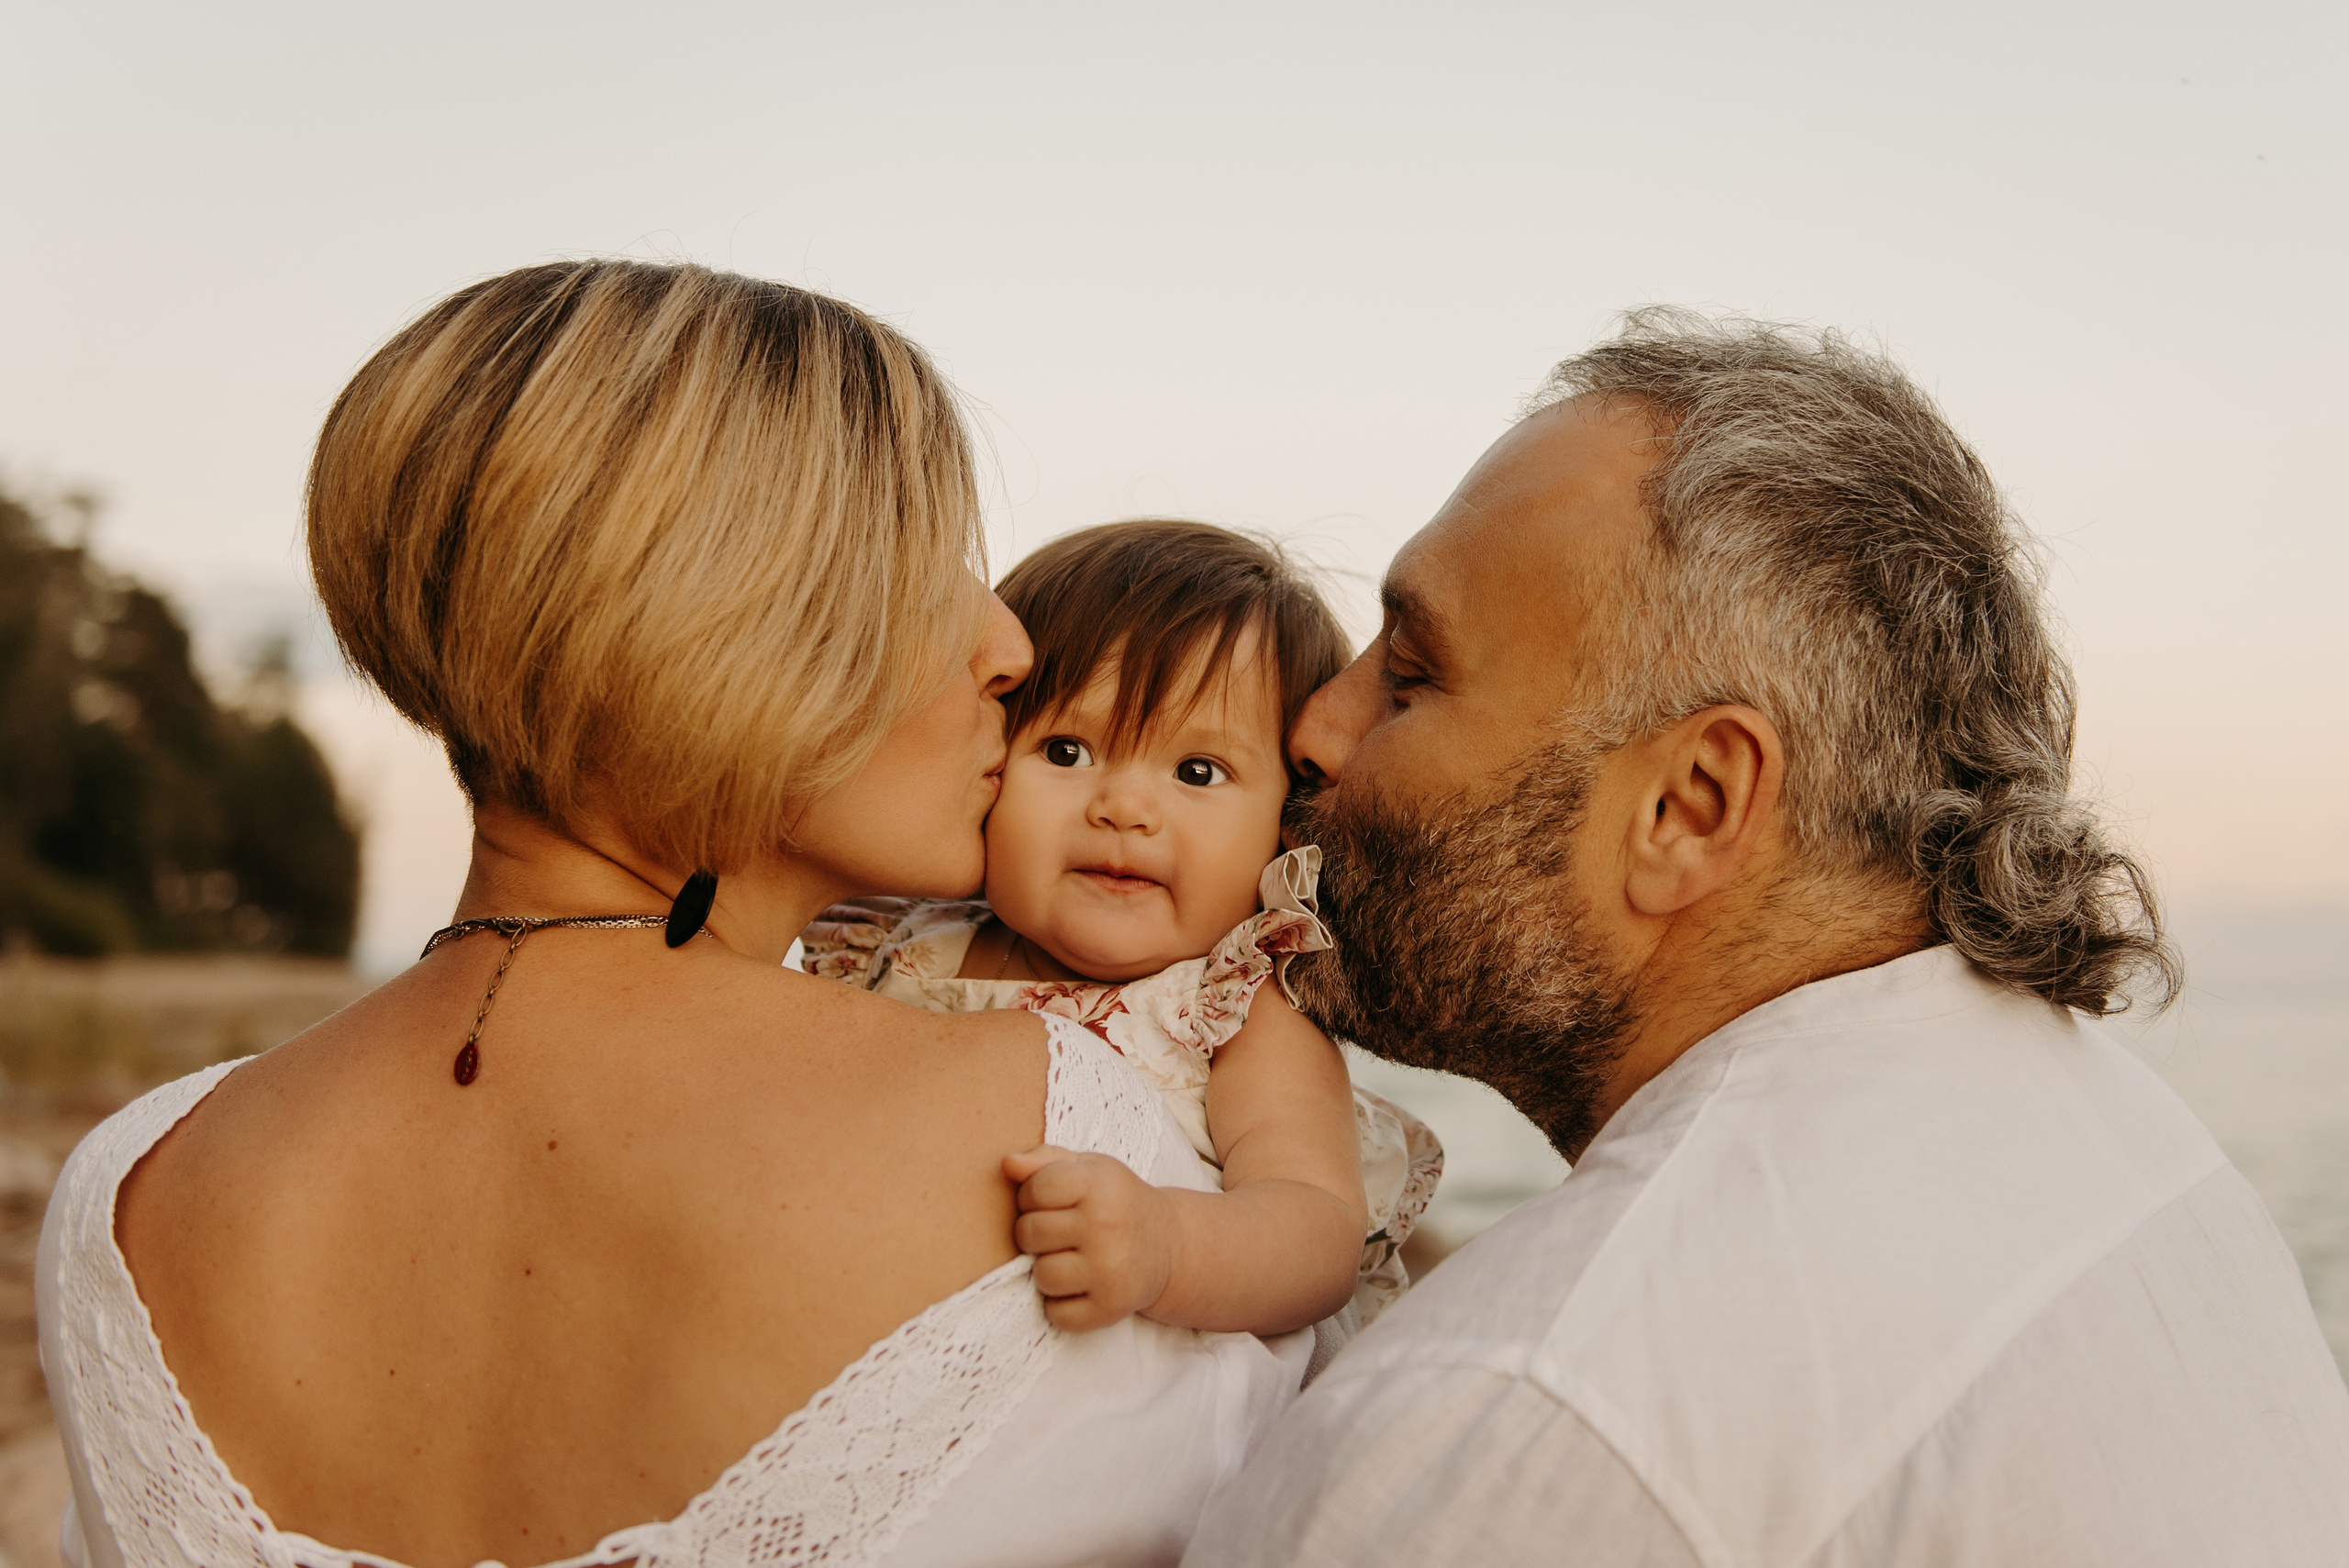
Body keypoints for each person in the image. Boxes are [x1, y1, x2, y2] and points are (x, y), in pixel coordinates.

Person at [38, 259, 1310, 1568]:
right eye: (930, 560)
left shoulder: (132, 1189)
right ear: (730, 620)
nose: (1006, 645)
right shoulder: (1064, 1142)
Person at [1186, 310, 2349, 1565]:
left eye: (1409, 678)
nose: (1313, 725)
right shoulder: (2110, 1131)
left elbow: (1589, 1402)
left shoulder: (1508, 1416)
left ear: (1689, 807)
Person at [801, 520, 1442, 1357]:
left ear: (1285, 823)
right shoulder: (891, 943)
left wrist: (1166, 1243)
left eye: (1197, 772)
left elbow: (1316, 1232)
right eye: (1067, 750)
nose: (1124, 808)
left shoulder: (1236, 1010)